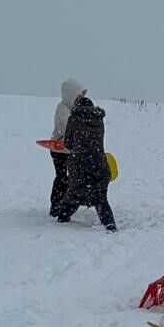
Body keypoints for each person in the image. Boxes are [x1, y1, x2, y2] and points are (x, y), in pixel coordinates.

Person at [56, 92, 117, 231]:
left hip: (79, 165)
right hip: (99, 164)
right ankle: (110, 225)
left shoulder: (74, 119)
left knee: (73, 195)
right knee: (100, 198)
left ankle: (62, 220)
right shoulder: (99, 120)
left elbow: (69, 144)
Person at [49, 79, 86, 218]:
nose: (80, 98)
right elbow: (68, 126)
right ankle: (56, 205)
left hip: (69, 150)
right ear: (70, 94)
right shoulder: (63, 109)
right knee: (62, 178)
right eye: (78, 95)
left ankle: (65, 203)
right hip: (59, 150)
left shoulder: (73, 109)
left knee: (70, 178)